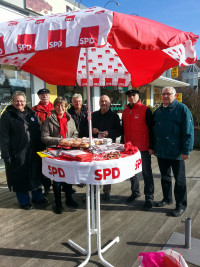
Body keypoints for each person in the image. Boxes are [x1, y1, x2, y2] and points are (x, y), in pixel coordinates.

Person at [0, 91, 47, 210]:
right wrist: (6, 155)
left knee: (35, 176)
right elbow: (3, 137)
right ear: (12, 101)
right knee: (20, 177)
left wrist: (43, 149)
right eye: (16, 101)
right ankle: (24, 201)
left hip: (34, 151)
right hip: (17, 152)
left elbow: (39, 131)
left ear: (25, 102)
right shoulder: (7, 115)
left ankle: (38, 197)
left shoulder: (31, 113)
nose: (19, 103)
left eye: (21, 101)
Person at [153, 87, 194, 217]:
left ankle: (181, 205)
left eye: (168, 94)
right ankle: (167, 198)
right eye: (163, 94)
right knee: (165, 177)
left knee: (180, 180)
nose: (165, 96)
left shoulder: (182, 109)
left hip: (176, 152)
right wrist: (153, 147)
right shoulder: (158, 111)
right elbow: (154, 131)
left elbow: (188, 131)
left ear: (175, 95)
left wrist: (186, 150)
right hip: (162, 150)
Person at [41, 97, 79, 214]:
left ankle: (69, 199)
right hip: (55, 152)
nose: (60, 107)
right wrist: (60, 140)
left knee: (68, 177)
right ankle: (58, 203)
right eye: (57, 105)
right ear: (54, 106)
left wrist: (72, 140)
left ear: (66, 106)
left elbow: (75, 133)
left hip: (68, 152)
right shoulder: (49, 120)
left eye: (62, 105)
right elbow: (44, 137)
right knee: (57, 178)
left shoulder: (70, 119)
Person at [122, 89, 154, 211]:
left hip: (143, 147)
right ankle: (135, 192)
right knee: (132, 172)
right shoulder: (125, 111)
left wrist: (152, 146)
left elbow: (151, 129)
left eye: (133, 95)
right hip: (130, 148)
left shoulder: (145, 110)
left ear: (138, 96)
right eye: (129, 96)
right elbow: (123, 129)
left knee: (146, 173)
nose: (131, 97)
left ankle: (149, 198)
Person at [92, 95, 121, 201]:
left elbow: (119, 131)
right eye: (101, 101)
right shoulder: (94, 115)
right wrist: (92, 130)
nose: (103, 103)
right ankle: (94, 191)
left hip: (109, 146)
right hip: (95, 147)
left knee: (107, 168)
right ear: (99, 103)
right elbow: (88, 129)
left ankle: (107, 191)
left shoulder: (114, 116)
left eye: (105, 101)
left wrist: (109, 133)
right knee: (95, 168)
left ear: (109, 103)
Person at [32, 88, 54, 196]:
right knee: (43, 164)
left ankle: (59, 184)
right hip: (40, 142)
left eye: (46, 94)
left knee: (57, 162)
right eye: (42, 94)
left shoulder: (56, 108)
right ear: (39, 97)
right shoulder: (34, 110)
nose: (44, 96)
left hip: (54, 142)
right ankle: (46, 186)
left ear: (49, 96)